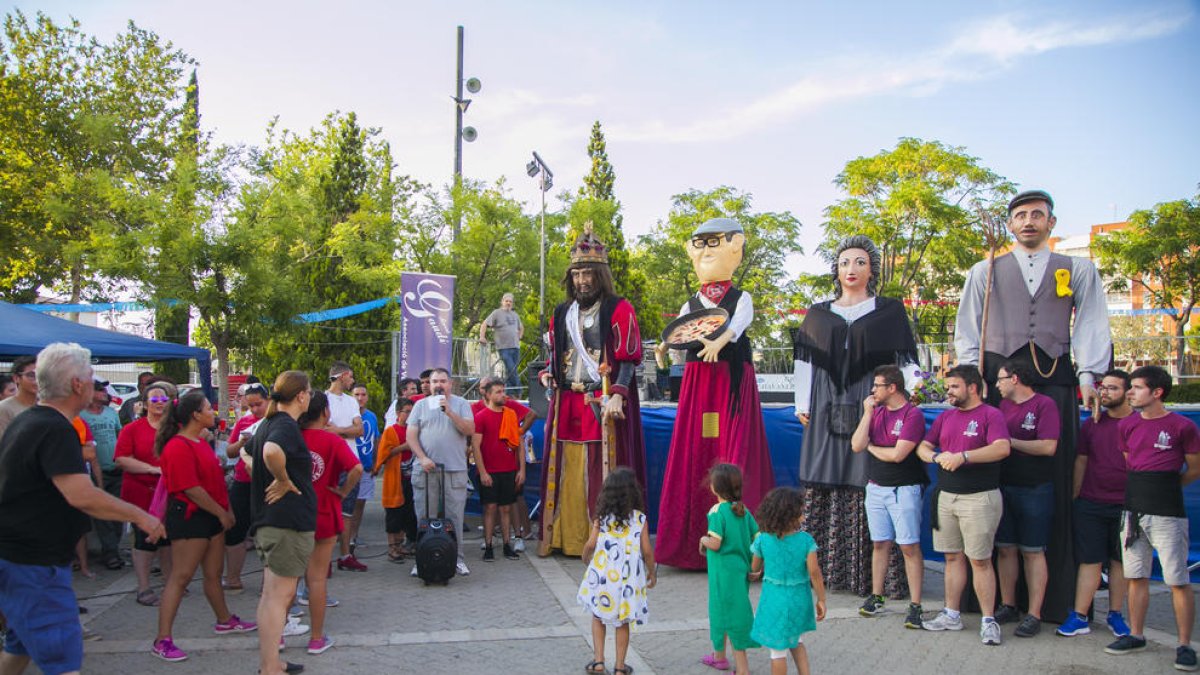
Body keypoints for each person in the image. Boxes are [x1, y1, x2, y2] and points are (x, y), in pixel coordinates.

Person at [955, 189, 1112, 623]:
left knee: (1052, 478)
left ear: (1051, 223)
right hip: (996, 382)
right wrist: (973, 380)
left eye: (1037, 215)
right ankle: (996, 601)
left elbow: (1093, 321)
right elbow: (968, 327)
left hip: (1054, 379)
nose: (1028, 221)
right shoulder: (982, 270)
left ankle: (1048, 602)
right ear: (1010, 224)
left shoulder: (1077, 268)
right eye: (1020, 215)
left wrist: (1087, 376)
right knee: (991, 479)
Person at [0, 342, 165, 675]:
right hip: (35, 564)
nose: (94, 383)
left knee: (19, 646)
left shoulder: (31, 420)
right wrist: (142, 516)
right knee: (63, 662)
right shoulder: (53, 427)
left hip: (21, 559)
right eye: (91, 377)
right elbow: (82, 495)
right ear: (77, 384)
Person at [790, 235, 920, 595]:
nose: (852, 269)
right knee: (825, 469)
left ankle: (874, 578)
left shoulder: (889, 311)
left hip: (872, 398)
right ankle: (825, 572)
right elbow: (804, 360)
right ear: (836, 269)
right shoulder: (818, 314)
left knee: (868, 472)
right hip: (826, 401)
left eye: (860, 262)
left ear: (871, 269)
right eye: (845, 262)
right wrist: (802, 402)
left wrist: (908, 398)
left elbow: (906, 357)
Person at [656, 217, 775, 570]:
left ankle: (743, 546)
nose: (706, 249)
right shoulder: (692, 301)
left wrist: (721, 341)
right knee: (696, 446)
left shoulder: (742, 297)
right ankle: (691, 542)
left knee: (735, 446)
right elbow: (677, 332)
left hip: (731, 377)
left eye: (714, 241)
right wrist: (663, 348)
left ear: (734, 244)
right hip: (698, 379)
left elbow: (738, 326)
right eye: (700, 242)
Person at [539, 225, 647, 557]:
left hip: (601, 399)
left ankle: (603, 537)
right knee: (566, 466)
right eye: (577, 274)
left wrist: (617, 392)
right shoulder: (561, 313)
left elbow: (629, 359)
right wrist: (548, 373)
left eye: (588, 274)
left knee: (601, 466)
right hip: (566, 400)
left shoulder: (619, 308)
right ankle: (563, 537)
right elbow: (556, 356)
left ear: (600, 275)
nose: (582, 281)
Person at [1104, 366, 1200, 671]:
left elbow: (1194, 468)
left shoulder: (1182, 426)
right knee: (1136, 576)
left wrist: (1166, 487)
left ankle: (1184, 645)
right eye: (1129, 387)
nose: (1130, 392)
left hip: (1168, 514)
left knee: (1177, 580)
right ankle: (1136, 634)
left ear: (1157, 392)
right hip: (1132, 511)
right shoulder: (1127, 427)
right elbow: (1132, 463)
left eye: (1137, 387)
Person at [152, 389, 255, 662]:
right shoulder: (177, 446)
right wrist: (222, 514)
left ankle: (224, 619)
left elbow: (215, 483)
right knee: (181, 576)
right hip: (190, 518)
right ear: (195, 414)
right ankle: (163, 639)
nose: (214, 412)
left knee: (213, 573)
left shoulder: (199, 443)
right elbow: (190, 489)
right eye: (209, 408)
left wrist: (226, 511)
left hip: (212, 516)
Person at [916, 365, 1011, 645]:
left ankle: (988, 620)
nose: (949, 392)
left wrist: (964, 457)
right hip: (947, 496)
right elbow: (923, 447)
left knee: (980, 560)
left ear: (972, 387)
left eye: (954, 386)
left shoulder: (991, 415)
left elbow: (1002, 448)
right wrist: (936, 458)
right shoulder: (946, 417)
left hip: (979, 498)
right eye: (948, 387)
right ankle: (951, 614)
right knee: (951, 557)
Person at [248, 370, 316, 675]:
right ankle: (270, 667)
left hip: (272, 521)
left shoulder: (270, 422)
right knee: (279, 598)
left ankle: (271, 663)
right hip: (286, 523)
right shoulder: (285, 426)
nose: (311, 397)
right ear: (300, 395)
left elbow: (249, 456)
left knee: (270, 596)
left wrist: (270, 476)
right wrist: (283, 479)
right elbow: (269, 451)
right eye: (310, 392)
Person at [849, 364, 928, 628]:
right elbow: (857, 444)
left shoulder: (912, 415)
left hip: (903, 489)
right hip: (876, 488)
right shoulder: (876, 413)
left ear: (892, 388)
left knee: (908, 546)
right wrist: (867, 414)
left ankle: (915, 605)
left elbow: (898, 455)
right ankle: (876, 596)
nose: (872, 390)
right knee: (880, 543)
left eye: (877, 385)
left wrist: (873, 447)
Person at [1057, 369, 1133, 638]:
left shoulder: (1138, 423)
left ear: (1128, 392)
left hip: (1128, 506)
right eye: (1103, 387)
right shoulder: (1092, 424)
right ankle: (1079, 616)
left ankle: (1115, 615)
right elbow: (1081, 460)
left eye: (1113, 388)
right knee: (1089, 560)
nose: (1105, 392)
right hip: (1091, 503)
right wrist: (1076, 495)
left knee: (1119, 562)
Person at [993, 360, 1060, 637]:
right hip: (1003, 485)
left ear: (1016, 379)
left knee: (1033, 551)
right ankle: (1008, 604)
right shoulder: (1002, 407)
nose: (997, 384)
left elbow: (1048, 446)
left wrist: (1009, 443)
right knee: (1005, 547)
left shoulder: (1045, 405)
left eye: (1001, 379)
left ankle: (1034, 613)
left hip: (1034, 488)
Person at [298, 391, 362, 656]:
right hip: (324, 511)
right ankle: (315, 638)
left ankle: (277, 634)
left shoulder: (289, 437)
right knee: (317, 578)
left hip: (292, 515)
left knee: (285, 580)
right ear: (325, 412)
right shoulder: (331, 440)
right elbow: (357, 469)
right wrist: (344, 491)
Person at [577, 467, 656, 675]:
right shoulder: (640, 519)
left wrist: (585, 559)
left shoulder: (602, 518)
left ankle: (599, 661)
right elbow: (647, 551)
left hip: (602, 578)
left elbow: (590, 544)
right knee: (622, 623)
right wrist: (652, 572)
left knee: (597, 616)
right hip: (627, 581)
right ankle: (620, 667)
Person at [749, 486, 827, 675]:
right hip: (799, 599)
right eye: (800, 513)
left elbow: (755, 567)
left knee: (777, 652)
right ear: (789, 516)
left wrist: (756, 572)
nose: (803, 517)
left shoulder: (763, 539)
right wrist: (821, 599)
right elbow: (814, 572)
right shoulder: (806, 541)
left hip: (773, 601)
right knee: (796, 641)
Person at [406, 367, 475, 576]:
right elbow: (411, 436)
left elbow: (469, 430)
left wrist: (450, 412)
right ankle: (422, 560)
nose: (438, 385)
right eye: (435, 381)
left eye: (443, 381)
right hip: (426, 471)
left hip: (454, 470)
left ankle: (457, 559)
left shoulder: (461, 404)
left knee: (455, 517)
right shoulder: (419, 405)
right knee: (425, 517)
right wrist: (422, 457)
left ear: (450, 384)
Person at [115, 380, 177, 607]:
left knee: (168, 541)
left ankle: (172, 583)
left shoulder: (174, 429)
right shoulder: (132, 429)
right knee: (144, 541)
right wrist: (153, 469)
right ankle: (144, 587)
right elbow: (122, 459)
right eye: (154, 400)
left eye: (164, 399)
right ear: (144, 404)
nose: (160, 403)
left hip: (170, 493)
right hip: (141, 492)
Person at [698, 463, 758, 675]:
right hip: (740, 573)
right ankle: (719, 656)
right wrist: (754, 567)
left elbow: (715, 543)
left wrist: (703, 540)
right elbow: (757, 539)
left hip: (722, 575)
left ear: (716, 487)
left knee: (725, 615)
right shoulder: (744, 510)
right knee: (728, 613)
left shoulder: (717, 512)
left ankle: (741, 669)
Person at [470, 377, 536, 552]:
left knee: (512, 502)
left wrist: (519, 433)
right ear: (485, 392)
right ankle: (490, 541)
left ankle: (518, 536)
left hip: (510, 465)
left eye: (503, 391)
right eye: (497, 391)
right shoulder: (478, 412)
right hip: (489, 467)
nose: (503, 395)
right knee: (490, 506)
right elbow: (475, 443)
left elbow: (531, 416)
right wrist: (482, 471)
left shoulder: (510, 410)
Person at [222, 382, 269, 593]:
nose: (254, 409)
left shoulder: (276, 422)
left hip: (267, 483)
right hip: (243, 481)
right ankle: (232, 578)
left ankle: (268, 583)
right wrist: (241, 442)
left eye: (258, 404)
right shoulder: (244, 422)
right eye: (250, 405)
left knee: (267, 534)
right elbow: (230, 453)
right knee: (234, 531)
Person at [80, 378, 125, 570]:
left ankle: (113, 547)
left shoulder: (110, 413)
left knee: (118, 511)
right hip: (93, 472)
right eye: (99, 389)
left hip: (116, 469)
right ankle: (110, 552)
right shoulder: (81, 416)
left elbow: (119, 436)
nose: (104, 392)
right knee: (102, 513)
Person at [324, 362, 365, 573]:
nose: (352, 381)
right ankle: (324, 558)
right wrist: (345, 431)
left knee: (347, 511)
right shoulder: (323, 399)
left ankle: (345, 555)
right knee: (328, 510)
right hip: (330, 462)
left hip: (351, 462)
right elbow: (322, 429)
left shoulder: (351, 401)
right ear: (344, 376)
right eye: (351, 377)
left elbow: (359, 430)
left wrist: (338, 430)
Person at [375, 397, 415, 562]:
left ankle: (402, 545)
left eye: (412, 412)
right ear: (399, 413)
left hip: (410, 478)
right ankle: (392, 548)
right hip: (395, 478)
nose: (410, 415)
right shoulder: (390, 431)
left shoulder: (413, 429)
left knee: (407, 512)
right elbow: (384, 454)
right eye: (407, 412)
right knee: (394, 514)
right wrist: (403, 447)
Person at [480, 292, 525, 389]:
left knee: (512, 371)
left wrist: (519, 336)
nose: (508, 303)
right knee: (511, 369)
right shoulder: (497, 313)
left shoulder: (515, 315)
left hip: (515, 346)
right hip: (503, 347)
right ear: (502, 302)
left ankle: (509, 392)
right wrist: (482, 337)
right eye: (506, 301)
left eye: (510, 301)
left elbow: (521, 327)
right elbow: (484, 324)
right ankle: (518, 390)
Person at [0, 355, 37, 439]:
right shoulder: (4, 408)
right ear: (16, 378)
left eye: (40, 375)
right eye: (31, 375)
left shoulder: (48, 405)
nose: (37, 380)